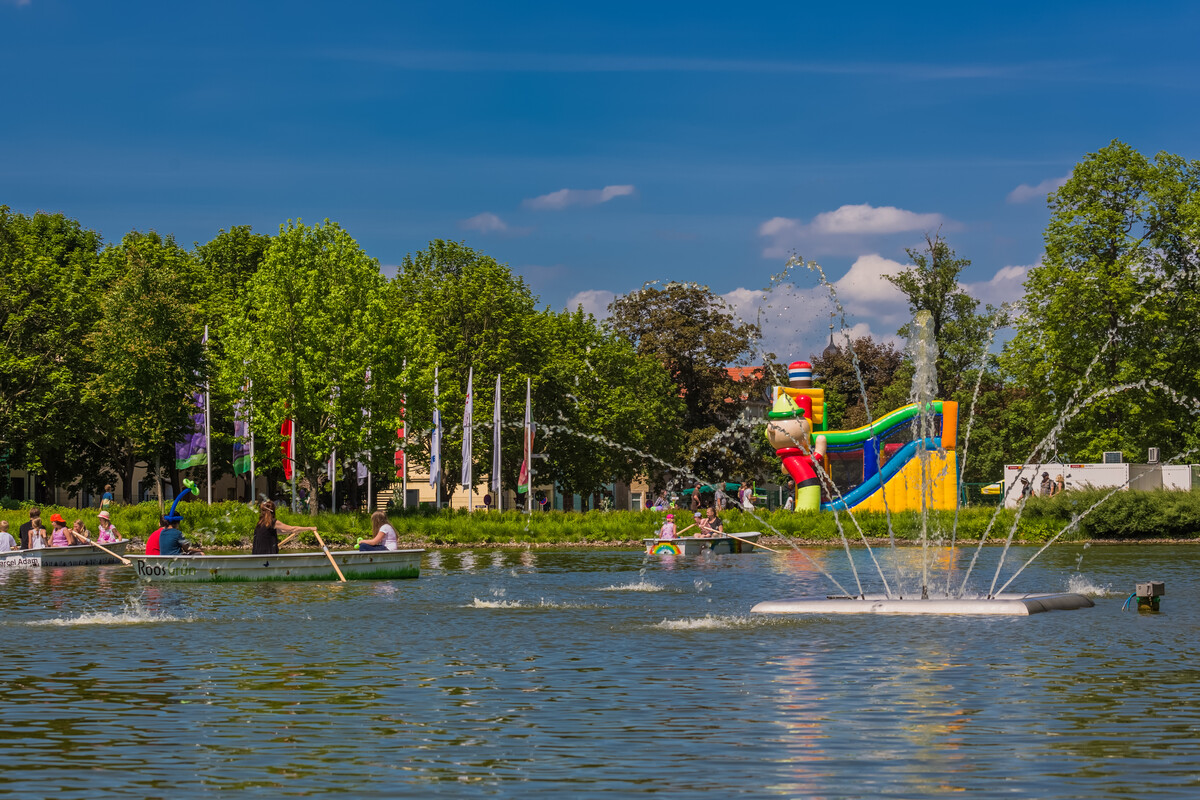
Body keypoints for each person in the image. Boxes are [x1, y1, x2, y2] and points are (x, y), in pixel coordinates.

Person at [251, 500, 317, 555]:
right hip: (267, 557)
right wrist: (310, 528)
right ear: (273, 511)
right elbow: (292, 528)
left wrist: (294, 531)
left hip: (257, 555)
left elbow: (279, 532)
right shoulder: (273, 522)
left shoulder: (260, 523)